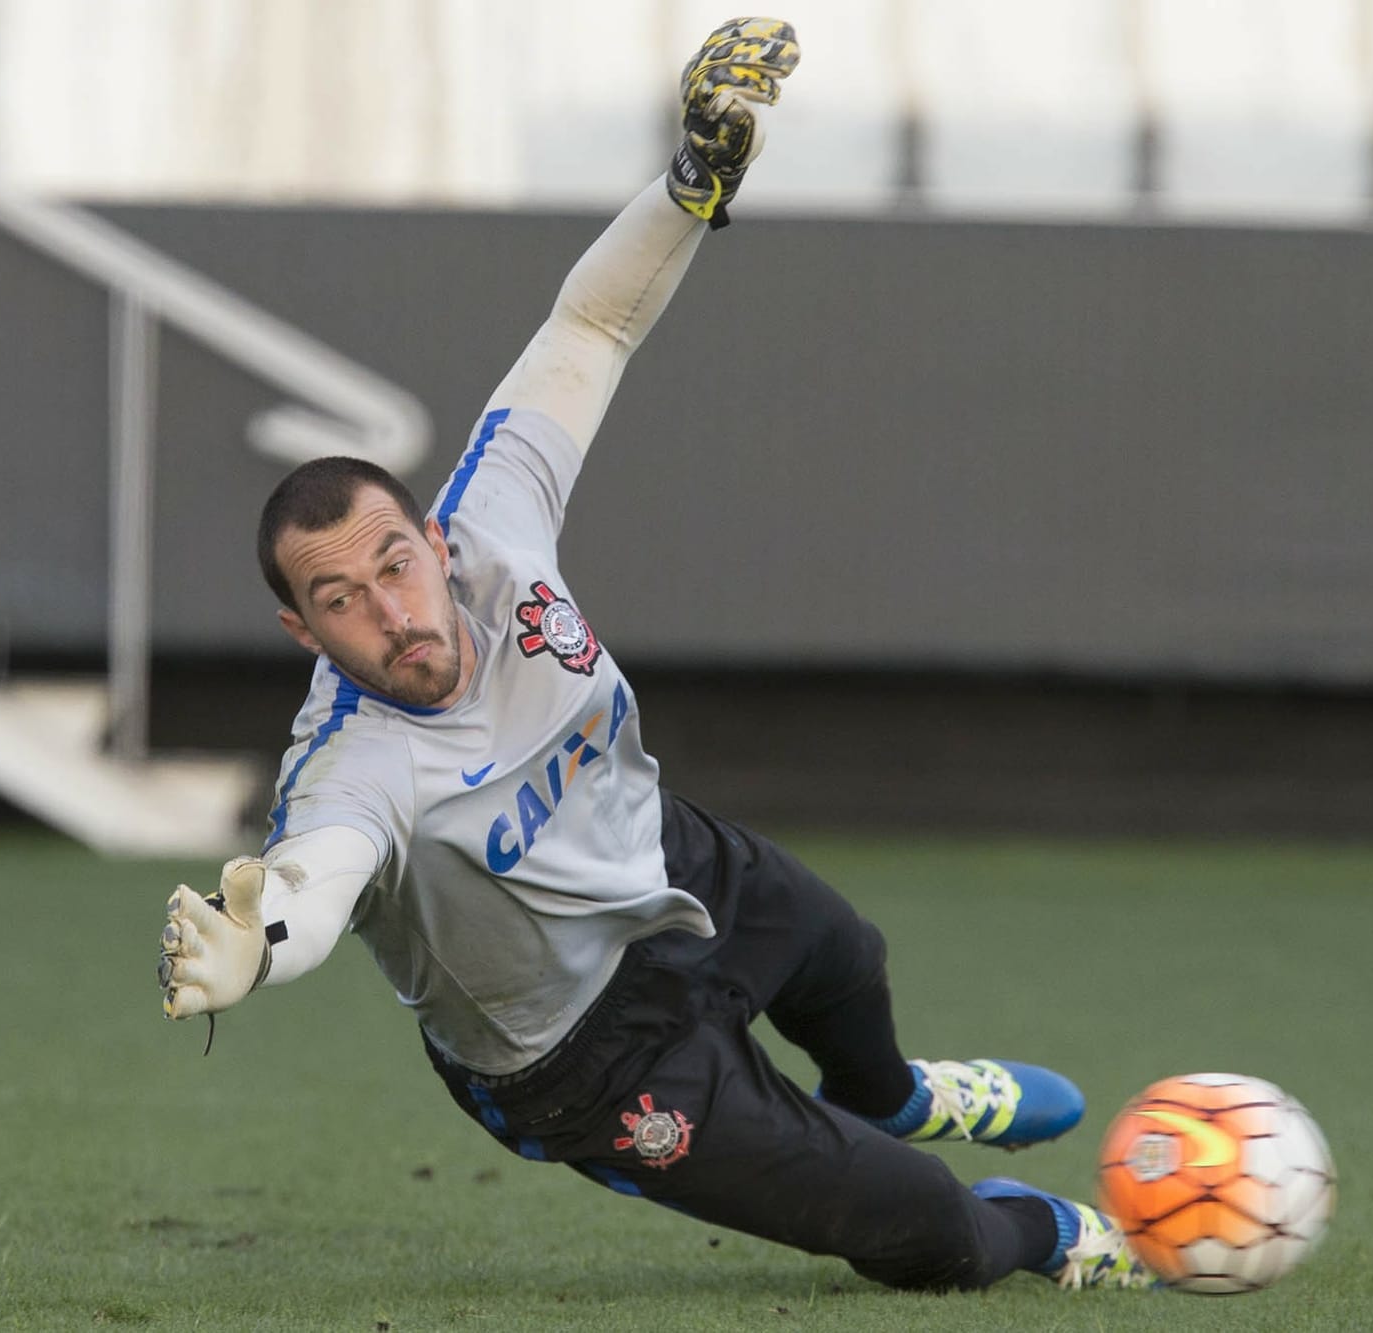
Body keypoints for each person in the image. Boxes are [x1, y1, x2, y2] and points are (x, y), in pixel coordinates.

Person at [156, 19, 1160, 1294]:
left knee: (844, 955)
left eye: (394, 563)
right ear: (303, 632)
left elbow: (589, 329)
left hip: (661, 859)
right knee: (932, 1236)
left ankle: (896, 1094)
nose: (391, 612)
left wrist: (688, 185)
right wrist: (259, 948)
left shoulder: (492, 528)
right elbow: (313, 870)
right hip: (581, 1061)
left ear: (428, 535)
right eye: (340, 600)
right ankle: (1057, 1232)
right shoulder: (354, 768)